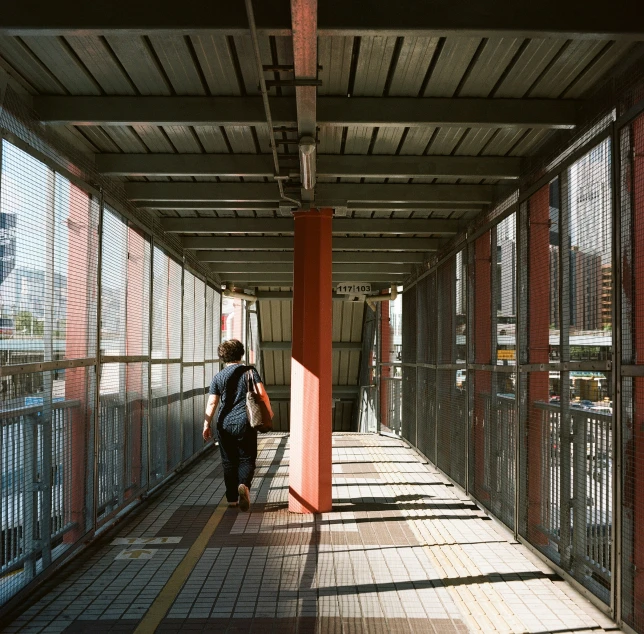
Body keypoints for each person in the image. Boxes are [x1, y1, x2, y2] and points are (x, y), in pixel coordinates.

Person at [203, 339, 273, 511]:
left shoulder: (218, 377)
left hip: (224, 423)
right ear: (241, 354)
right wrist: (269, 413)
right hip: (245, 422)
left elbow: (212, 403)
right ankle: (244, 485)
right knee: (247, 458)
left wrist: (206, 424)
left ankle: (232, 499)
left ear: (222, 357)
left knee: (228, 462)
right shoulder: (250, 371)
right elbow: (262, 394)